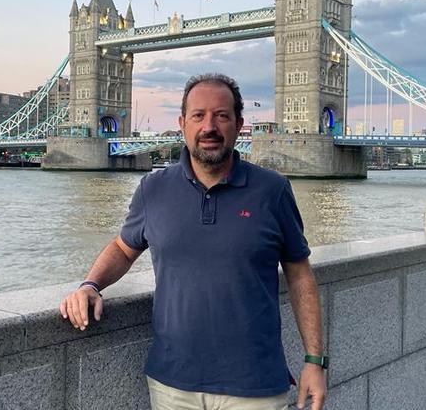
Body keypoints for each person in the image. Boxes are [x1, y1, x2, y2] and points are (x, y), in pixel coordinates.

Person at [59, 73, 327, 410]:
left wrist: (314, 362)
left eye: (222, 116)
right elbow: (122, 249)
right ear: (183, 124)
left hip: (254, 386)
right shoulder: (153, 189)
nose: (209, 127)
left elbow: (300, 276)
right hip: (172, 385)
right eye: (199, 116)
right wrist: (90, 285)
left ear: (239, 124)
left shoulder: (273, 190)